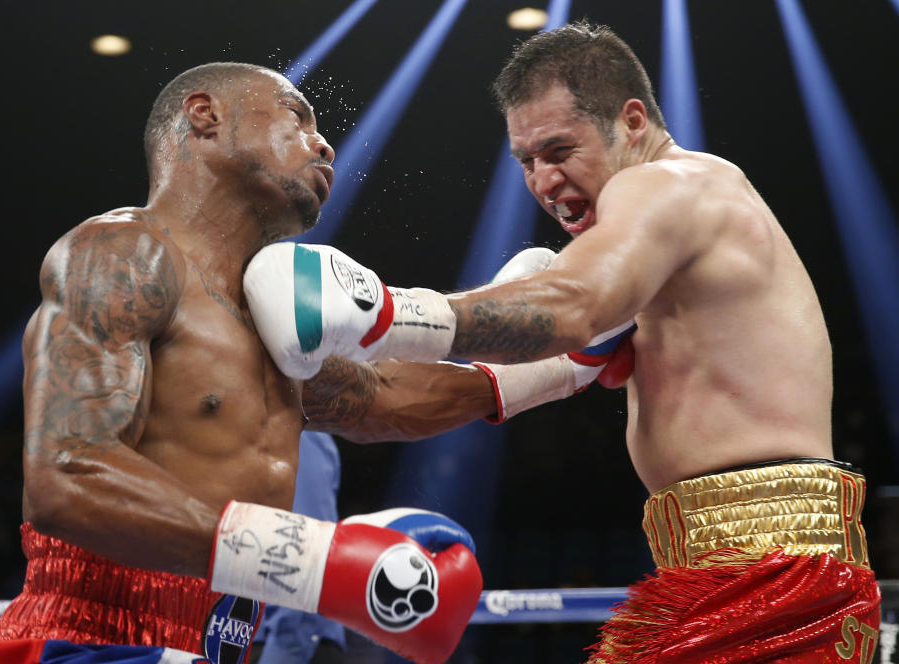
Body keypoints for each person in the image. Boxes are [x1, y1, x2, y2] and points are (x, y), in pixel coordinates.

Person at [247, 21, 882, 662]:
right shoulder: (641, 273)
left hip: (773, 566)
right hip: (736, 563)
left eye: (559, 150)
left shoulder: (669, 185)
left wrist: (381, 311)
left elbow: (574, 305)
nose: (544, 182)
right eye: (527, 161)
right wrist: (292, 376)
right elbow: (463, 392)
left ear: (632, 121)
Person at [0, 60, 633, 664]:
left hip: (217, 644)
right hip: (91, 643)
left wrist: (563, 364)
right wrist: (319, 565)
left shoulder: (265, 316)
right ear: (205, 117)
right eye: (295, 116)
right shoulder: (124, 253)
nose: (323, 143)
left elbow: (386, 397)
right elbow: (66, 478)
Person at [250, 431, 346, 664]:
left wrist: (285, 650)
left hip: (284, 643)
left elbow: (304, 556)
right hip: (245, 636)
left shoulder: (295, 434)